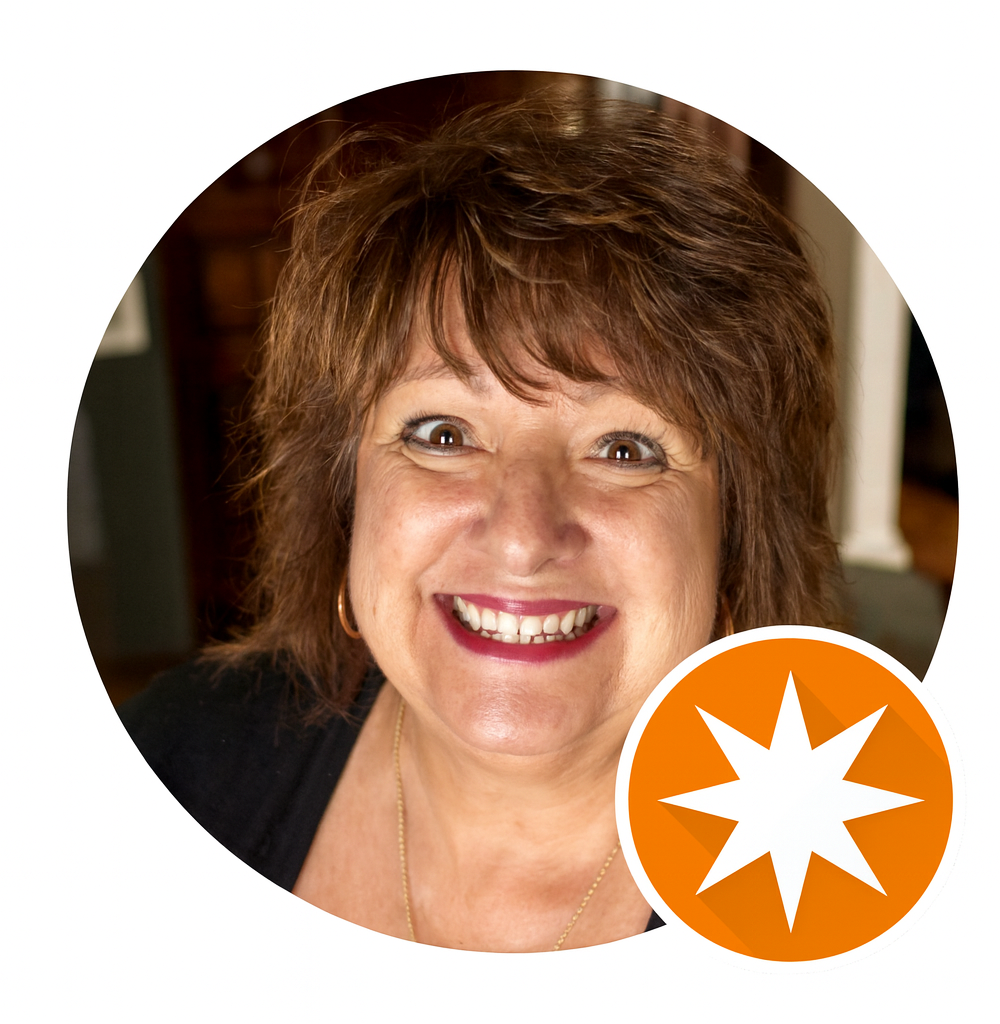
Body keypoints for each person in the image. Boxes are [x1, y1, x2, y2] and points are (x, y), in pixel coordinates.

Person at [119, 94, 839, 952]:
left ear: (733, 543)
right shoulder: (176, 758)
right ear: (346, 502)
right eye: (444, 435)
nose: (523, 536)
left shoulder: (849, 886)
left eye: (623, 448)